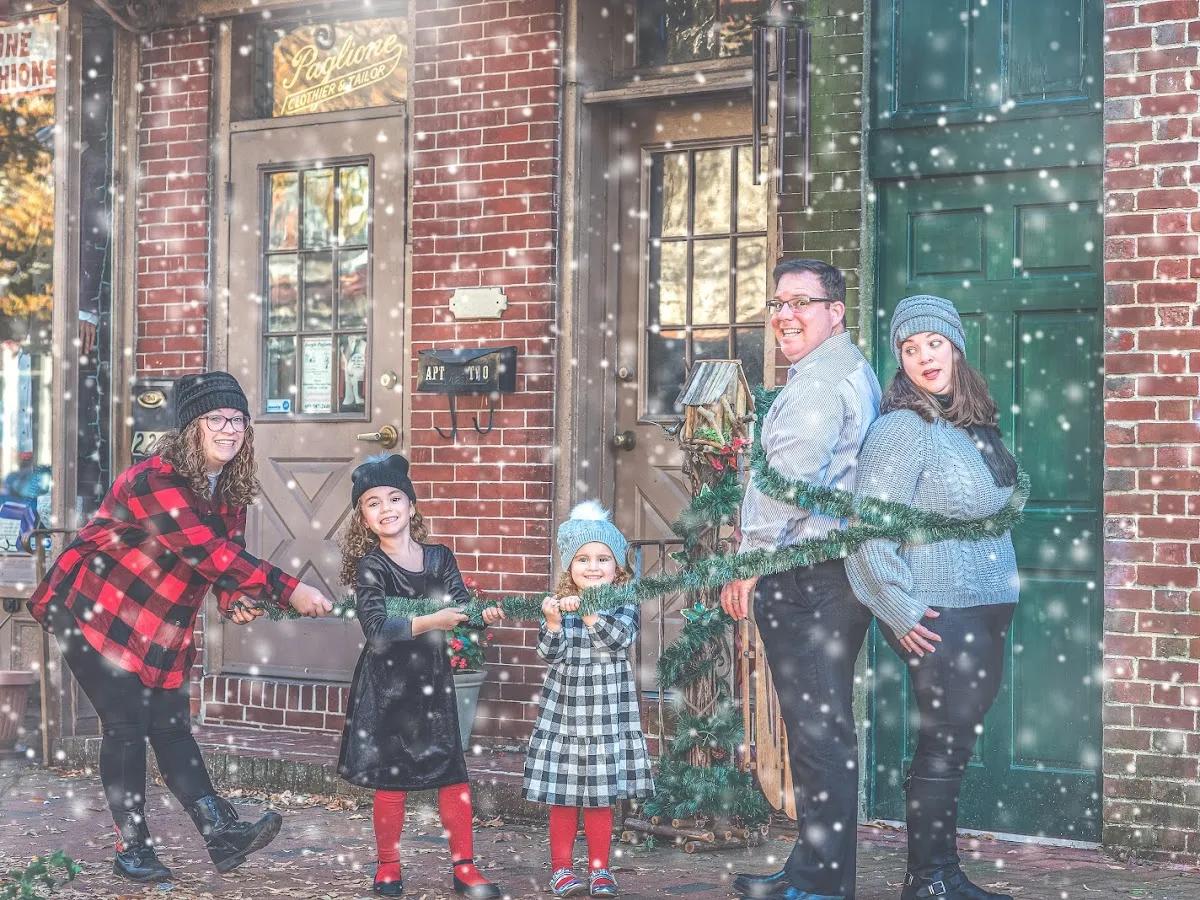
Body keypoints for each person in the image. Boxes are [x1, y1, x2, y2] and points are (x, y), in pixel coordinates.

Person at [26, 371, 335, 883]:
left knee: (170, 726)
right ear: (191, 426)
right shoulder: (155, 479)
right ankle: (132, 848)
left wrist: (233, 596)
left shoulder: (228, 487)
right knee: (126, 725)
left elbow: (224, 556)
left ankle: (221, 832)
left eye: (237, 419)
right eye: (216, 418)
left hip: (158, 621)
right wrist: (288, 589)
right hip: (94, 607)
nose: (229, 429)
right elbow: (204, 550)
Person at [845, 296, 1020, 900]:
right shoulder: (902, 429)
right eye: (910, 347)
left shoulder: (971, 424)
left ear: (955, 349)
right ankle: (930, 880)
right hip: (941, 610)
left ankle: (939, 874)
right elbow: (866, 532)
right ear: (900, 359)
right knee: (944, 746)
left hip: (986, 605)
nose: (924, 357)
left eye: (934, 344)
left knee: (955, 742)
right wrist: (897, 609)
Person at [721, 259, 882, 900]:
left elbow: (787, 486)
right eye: (779, 303)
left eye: (802, 303)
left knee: (818, 733)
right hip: (828, 572)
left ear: (835, 311)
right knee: (821, 728)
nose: (785, 315)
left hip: (810, 574)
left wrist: (747, 562)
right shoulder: (842, 368)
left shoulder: (820, 383)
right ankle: (813, 868)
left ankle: (823, 883)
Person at [336, 453, 505, 899]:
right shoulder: (371, 567)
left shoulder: (439, 557)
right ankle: (388, 867)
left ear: (411, 506)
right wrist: (432, 621)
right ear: (363, 518)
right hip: (387, 686)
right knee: (393, 780)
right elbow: (377, 630)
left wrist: (481, 615)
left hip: (432, 683)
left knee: (451, 772)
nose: (386, 508)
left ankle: (465, 868)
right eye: (373, 503)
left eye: (395, 498)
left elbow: (462, 607)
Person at [524, 501, 653, 898]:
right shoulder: (560, 603)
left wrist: (590, 614)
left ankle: (600, 870)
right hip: (565, 716)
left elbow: (619, 639)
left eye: (602, 559)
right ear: (570, 567)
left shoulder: (624, 602)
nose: (592, 567)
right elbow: (549, 653)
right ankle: (561, 869)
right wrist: (552, 622)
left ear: (618, 567)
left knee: (600, 799)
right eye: (582, 559)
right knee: (563, 798)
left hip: (607, 717)